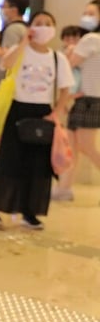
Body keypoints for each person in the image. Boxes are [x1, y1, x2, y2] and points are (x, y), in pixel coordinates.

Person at [0, 10, 73, 230]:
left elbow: (65, 89)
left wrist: (56, 112)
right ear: (30, 27)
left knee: (37, 165)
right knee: (9, 161)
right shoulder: (20, 51)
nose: (43, 27)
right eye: (38, 23)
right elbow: (6, 63)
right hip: (17, 109)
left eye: (48, 23)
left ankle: (29, 212)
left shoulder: (58, 58)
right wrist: (24, 42)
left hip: (43, 113)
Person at [0, 0, 31, 182]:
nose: (2, 10)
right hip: (13, 86)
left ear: (14, 9)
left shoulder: (12, 30)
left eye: (4, 6)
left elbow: (7, 56)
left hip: (4, 86)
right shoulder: (25, 30)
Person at [59, 0, 100, 201]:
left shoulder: (91, 39)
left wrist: (69, 51)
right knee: (73, 146)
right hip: (88, 98)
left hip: (89, 99)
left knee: (85, 146)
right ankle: (64, 188)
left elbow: (70, 64)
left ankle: (64, 189)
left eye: (91, 13)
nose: (85, 17)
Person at [52, 24, 86, 201]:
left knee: (74, 147)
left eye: (75, 37)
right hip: (65, 99)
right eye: (67, 38)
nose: (71, 41)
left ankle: (65, 186)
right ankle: (63, 186)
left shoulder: (82, 55)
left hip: (76, 99)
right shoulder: (60, 55)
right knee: (67, 146)